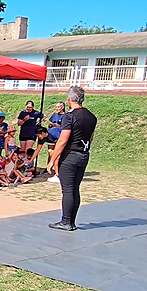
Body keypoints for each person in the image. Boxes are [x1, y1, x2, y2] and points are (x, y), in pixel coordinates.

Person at [48, 86, 96, 231]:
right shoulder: (91, 117)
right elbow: (90, 138)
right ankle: (71, 221)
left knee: (67, 190)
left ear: (69, 100)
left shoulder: (69, 117)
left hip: (70, 156)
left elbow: (62, 140)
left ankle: (66, 221)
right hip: (83, 154)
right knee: (75, 188)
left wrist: (52, 160)